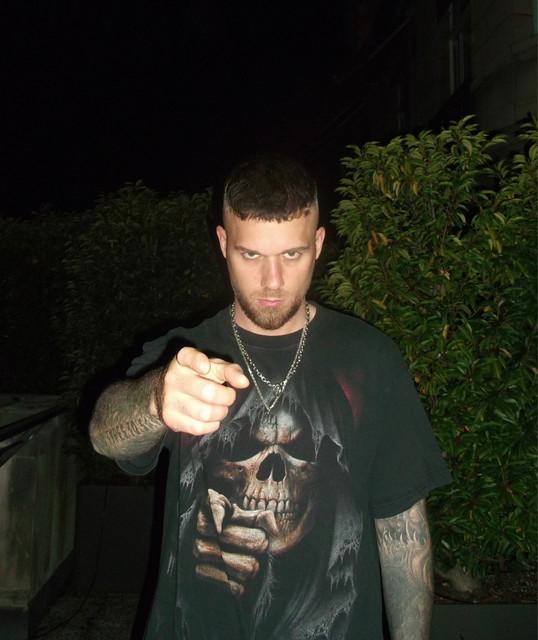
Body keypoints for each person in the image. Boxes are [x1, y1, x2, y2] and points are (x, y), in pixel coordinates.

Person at [89, 153, 451, 640]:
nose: (272, 282)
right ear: (224, 244)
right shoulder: (185, 352)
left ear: (318, 244)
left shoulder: (370, 358)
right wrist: (155, 400)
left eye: (292, 255)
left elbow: (402, 529)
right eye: (252, 255)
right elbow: (105, 435)